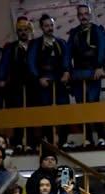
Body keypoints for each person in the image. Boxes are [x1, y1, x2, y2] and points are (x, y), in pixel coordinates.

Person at [67, 3, 105, 148]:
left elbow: (102, 49)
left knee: (93, 105)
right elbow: (68, 53)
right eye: (81, 14)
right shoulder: (74, 33)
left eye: (86, 14)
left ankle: (102, 137)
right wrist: (67, 71)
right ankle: (88, 138)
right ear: (78, 16)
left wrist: (100, 66)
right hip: (78, 74)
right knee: (81, 107)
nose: (83, 16)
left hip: (93, 72)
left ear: (90, 15)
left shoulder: (97, 30)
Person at [28, 14, 70, 146]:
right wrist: (38, 77)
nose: (50, 28)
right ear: (41, 27)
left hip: (59, 81)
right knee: (45, 111)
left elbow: (66, 59)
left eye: (51, 25)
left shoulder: (61, 42)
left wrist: (66, 72)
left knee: (64, 110)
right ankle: (49, 139)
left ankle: (64, 140)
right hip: (43, 81)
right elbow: (31, 62)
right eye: (47, 26)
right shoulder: (36, 43)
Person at [0, 16, 35, 151]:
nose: (23, 32)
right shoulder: (11, 47)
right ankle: (18, 141)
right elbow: (4, 65)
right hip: (16, 86)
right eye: (20, 30)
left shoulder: (35, 44)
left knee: (32, 114)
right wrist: (1, 79)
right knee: (18, 114)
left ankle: (31, 142)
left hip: (33, 86)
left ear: (29, 30)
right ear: (17, 32)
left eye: (25, 29)